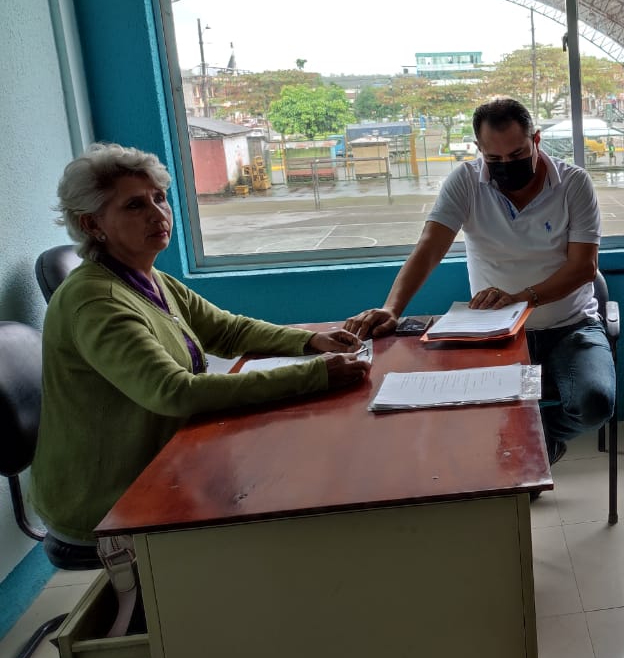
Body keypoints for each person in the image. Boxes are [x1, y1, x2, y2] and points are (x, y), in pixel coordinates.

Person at [31, 144, 370, 548]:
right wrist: (315, 374)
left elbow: (227, 330)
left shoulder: (146, 278)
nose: (158, 214)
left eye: (159, 198)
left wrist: (309, 340)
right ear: (92, 224)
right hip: (109, 500)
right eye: (135, 205)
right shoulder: (97, 301)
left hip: (166, 461)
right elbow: (174, 392)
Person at [345, 98, 615, 464]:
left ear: (536, 140)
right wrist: (392, 309)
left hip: (570, 326)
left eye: (516, 154)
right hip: (494, 331)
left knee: (594, 404)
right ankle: (529, 450)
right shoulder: (466, 181)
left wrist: (521, 298)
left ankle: (542, 438)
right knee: (463, 409)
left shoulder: (573, 183)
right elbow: (429, 247)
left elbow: (584, 267)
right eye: (494, 158)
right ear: (479, 149)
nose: (506, 165)